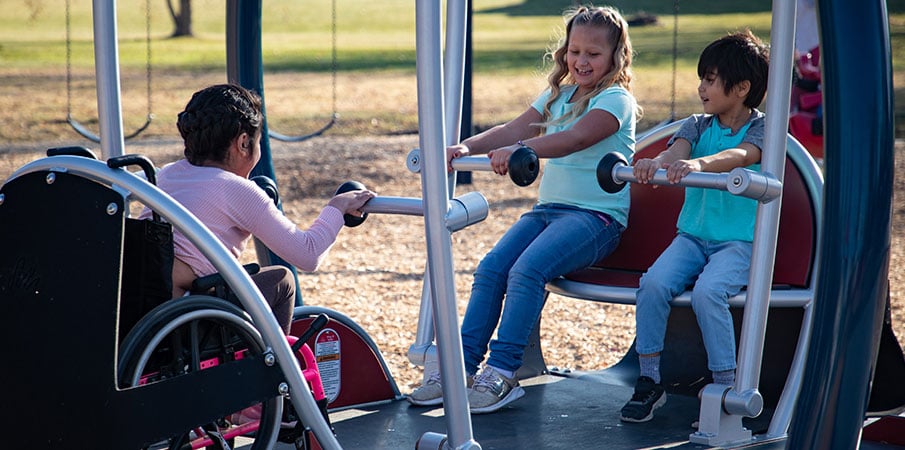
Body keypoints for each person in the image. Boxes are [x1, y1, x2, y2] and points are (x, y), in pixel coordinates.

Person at [408, 5, 640, 414]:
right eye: (574, 51)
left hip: (596, 219)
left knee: (527, 270)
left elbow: (574, 139)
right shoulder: (560, 95)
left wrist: (522, 150)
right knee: (492, 267)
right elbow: (515, 129)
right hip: (549, 211)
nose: (581, 61)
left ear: (615, 57)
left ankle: (502, 372)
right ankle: (458, 367)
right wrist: (466, 147)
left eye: (593, 54)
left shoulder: (616, 99)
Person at [619, 30, 769, 423]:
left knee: (708, 292)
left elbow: (742, 155)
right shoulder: (697, 125)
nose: (700, 87)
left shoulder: (760, 129)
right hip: (693, 238)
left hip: (737, 243)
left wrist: (701, 165)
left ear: (740, 88)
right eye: (701, 78)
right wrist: (660, 161)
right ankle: (649, 379)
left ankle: (726, 381)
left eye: (710, 79)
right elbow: (677, 151)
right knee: (652, 284)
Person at [142, 83, 375, 333]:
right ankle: (274, 367)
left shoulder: (165, 175)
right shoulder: (237, 190)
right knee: (281, 281)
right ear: (244, 143)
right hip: (184, 324)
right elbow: (308, 254)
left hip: (142, 312)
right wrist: (337, 208)